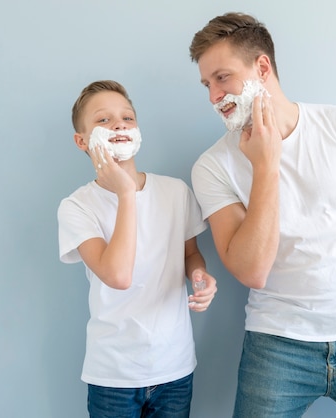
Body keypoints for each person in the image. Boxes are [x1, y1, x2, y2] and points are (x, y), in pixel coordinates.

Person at [188, 12, 336, 417]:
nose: (214, 96)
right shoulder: (211, 167)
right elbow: (252, 271)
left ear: (262, 67)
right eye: (207, 85)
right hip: (276, 349)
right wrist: (265, 166)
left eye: (222, 78)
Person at [57, 80, 218, 418]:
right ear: (81, 141)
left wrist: (199, 275)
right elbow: (117, 275)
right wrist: (126, 194)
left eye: (127, 118)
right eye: (103, 120)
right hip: (112, 374)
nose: (119, 124)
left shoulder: (175, 192)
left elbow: (190, 253)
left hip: (174, 368)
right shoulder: (77, 207)